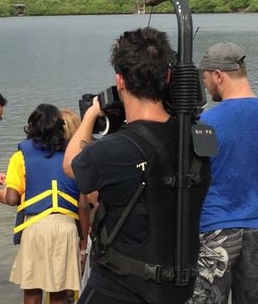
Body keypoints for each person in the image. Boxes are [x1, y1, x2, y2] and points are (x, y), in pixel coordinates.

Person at [63, 27, 210, 303]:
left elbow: (71, 165)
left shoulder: (114, 150)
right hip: (175, 287)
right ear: (168, 76)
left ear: (120, 80)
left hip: (119, 287)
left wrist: (93, 113)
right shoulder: (194, 140)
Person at [188, 42, 258, 304]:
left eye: (205, 78)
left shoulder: (206, 124)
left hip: (215, 229)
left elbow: (200, 170)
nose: (205, 86)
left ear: (218, 75)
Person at [5, 103, 87, 304]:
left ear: (31, 127)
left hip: (35, 229)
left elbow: (12, 198)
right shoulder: (73, 158)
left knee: (32, 293)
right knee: (59, 293)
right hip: (66, 229)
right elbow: (83, 204)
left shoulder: (20, 157)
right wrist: (83, 242)